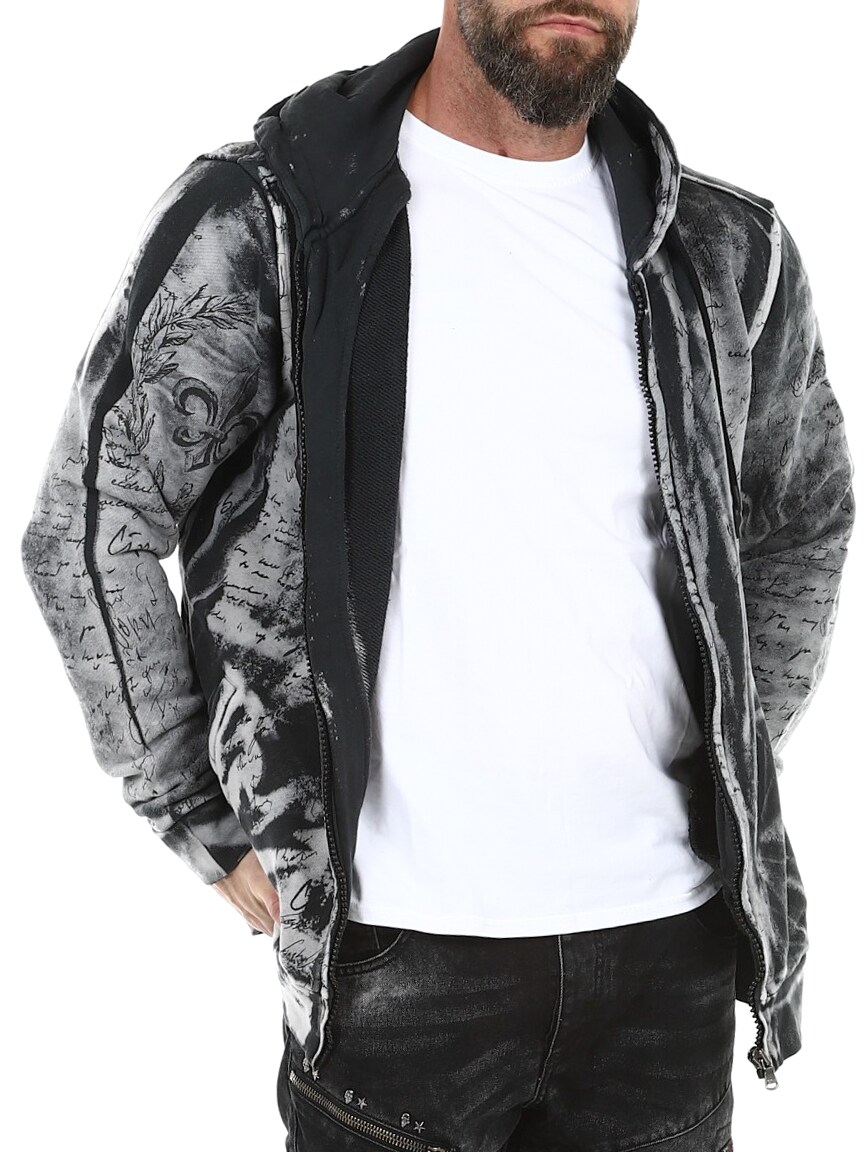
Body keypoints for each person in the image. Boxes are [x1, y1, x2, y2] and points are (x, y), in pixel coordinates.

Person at [20, 3, 856, 1149]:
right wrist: (189, 801)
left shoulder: (719, 249)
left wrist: (737, 748)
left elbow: (803, 517)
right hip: (395, 961)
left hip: (670, 955)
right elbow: (93, 513)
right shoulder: (278, 216)